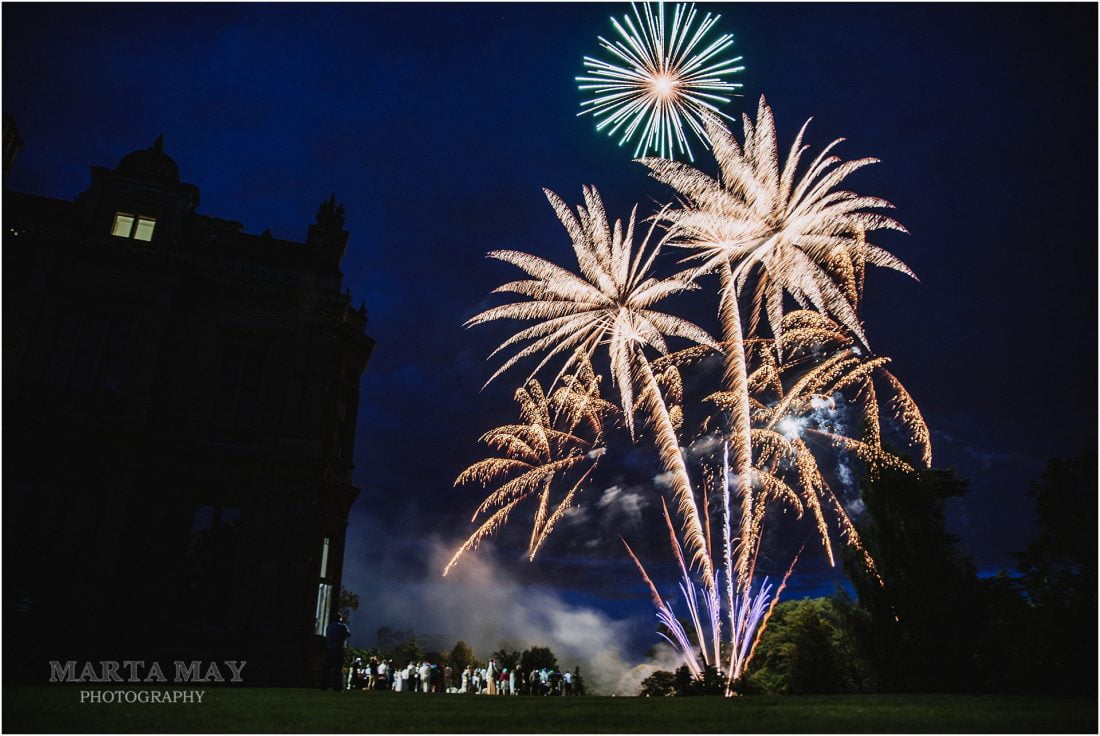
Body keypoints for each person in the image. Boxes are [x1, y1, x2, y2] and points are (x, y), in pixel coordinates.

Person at [320, 613, 350, 691]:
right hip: (339, 649)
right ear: (340, 618)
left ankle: (324, 685)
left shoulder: (329, 627)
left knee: (327, 668)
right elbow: (347, 634)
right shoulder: (342, 626)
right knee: (338, 668)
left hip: (329, 649)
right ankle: (337, 686)